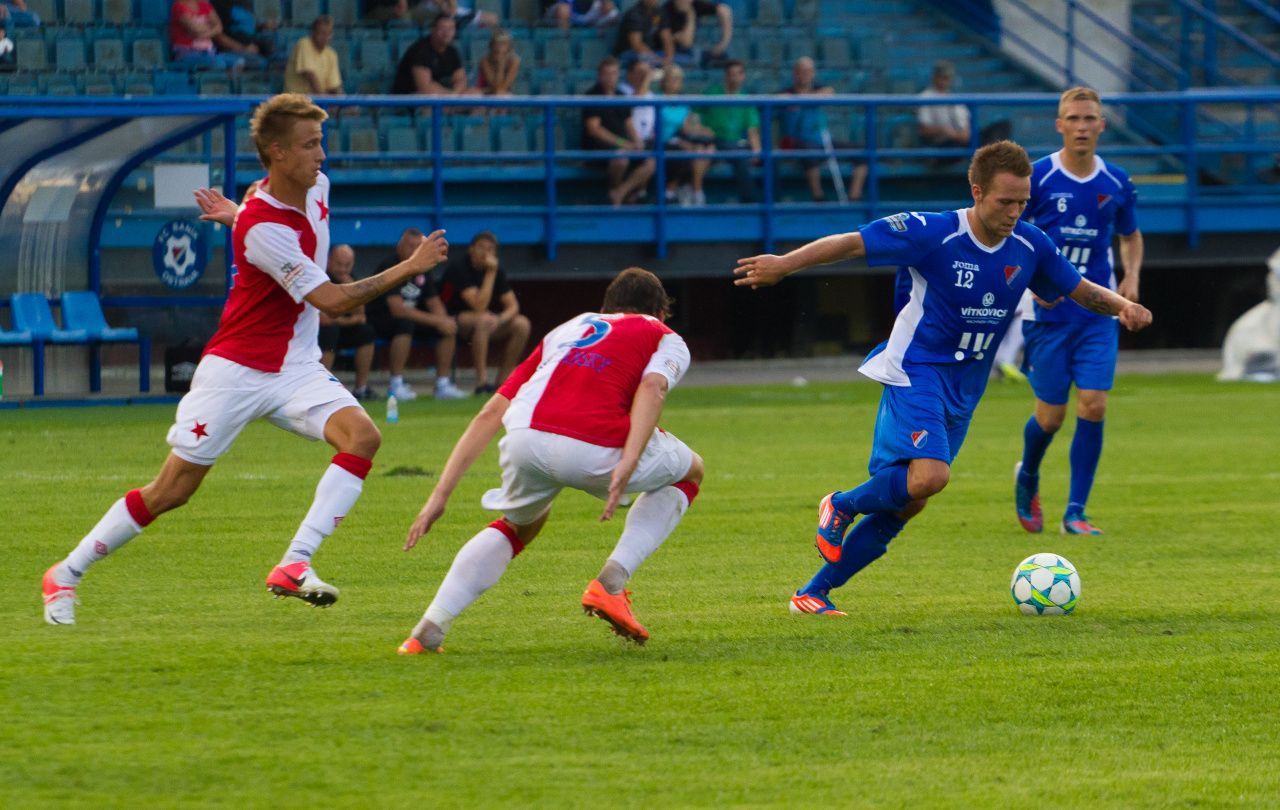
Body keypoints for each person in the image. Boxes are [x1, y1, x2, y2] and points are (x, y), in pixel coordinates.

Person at [41, 94, 450, 626]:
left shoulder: (307, 191)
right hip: (236, 369)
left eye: (321, 142)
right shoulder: (263, 227)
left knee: (364, 437)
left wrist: (236, 216)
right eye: (308, 145)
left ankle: (295, 563)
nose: (320, 155)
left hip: (295, 366)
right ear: (277, 152)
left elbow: (262, 217)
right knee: (172, 491)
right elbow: (332, 299)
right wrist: (409, 266)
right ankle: (64, 575)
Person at [732, 140, 1152, 617]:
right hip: (917, 368)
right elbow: (852, 242)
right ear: (976, 192)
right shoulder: (932, 231)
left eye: (1022, 202)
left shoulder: (1031, 244)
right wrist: (784, 265)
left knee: (911, 499)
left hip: (966, 385)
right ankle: (841, 505)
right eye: (1004, 202)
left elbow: (1079, 289)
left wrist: (1124, 307)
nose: (1015, 211)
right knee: (932, 475)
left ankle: (813, 592)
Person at [396, 267, 703, 653]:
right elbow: (653, 387)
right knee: (690, 471)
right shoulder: (663, 335)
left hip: (525, 439)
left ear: (606, 308)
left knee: (520, 523)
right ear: (661, 313)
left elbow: (490, 413)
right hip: (596, 448)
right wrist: (629, 459)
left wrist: (439, 496)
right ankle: (611, 582)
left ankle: (428, 630)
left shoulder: (571, 327)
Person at [1014, 87, 1143, 536]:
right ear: (1059, 125)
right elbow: (1015, 234)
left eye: (1090, 118)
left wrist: (1131, 279)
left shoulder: (1116, 181)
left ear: (1102, 125)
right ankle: (1028, 474)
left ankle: (1076, 511)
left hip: (1097, 312)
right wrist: (1035, 280)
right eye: (1073, 118)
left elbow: (1130, 234)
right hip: (1048, 314)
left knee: (1093, 404)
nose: (1082, 126)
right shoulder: (1038, 177)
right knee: (1051, 416)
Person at [366, 228, 468, 401]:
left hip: (411, 318)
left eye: (417, 247)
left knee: (447, 325)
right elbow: (397, 309)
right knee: (405, 324)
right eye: (409, 246)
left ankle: (443, 385)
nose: (413, 251)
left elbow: (433, 301)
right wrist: (437, 321)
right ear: (399, 247)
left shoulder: (423, 269)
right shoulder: (391, 266)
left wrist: (443, 321)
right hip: (381, 319)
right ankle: (396, 384)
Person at [439, 231, 531, 393]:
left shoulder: (497, 270)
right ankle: (482, 383)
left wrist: (500, 319)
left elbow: (513, 306)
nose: (485, 253)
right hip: (450, 319)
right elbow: (478, 305)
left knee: (522, 324)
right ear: (471, 249)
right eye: (481, 247)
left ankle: (503, 382)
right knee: (483, 319)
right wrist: (490, 273)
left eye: (490, 249)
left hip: (484, 321)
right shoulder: (460, 267)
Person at [780, 57, 866, 202]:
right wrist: (804, 98)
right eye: (802, 71)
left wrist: (803, 98)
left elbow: (829, 92)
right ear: (795, 73)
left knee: (861, 152)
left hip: (823, 139)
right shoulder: (787, 92)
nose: (806, 74)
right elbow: (779, 98)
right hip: (798, 141)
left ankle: (854, 196)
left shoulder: (820, 89)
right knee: (809, 152)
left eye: (809, 71)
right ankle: (818, 196)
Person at [582, 55, 655, 207]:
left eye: (614, 73)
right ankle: (615, 190)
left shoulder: (621, 96)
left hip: (623, 145)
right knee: (621, 159)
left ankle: (620, 192)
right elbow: (594, 129)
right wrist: (623, 143)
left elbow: (628, 123)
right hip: (598, 147)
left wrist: (637, 141)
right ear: (599, 75)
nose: (610, 77)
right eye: (606, 73)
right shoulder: (592, 96)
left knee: (651, 161)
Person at [318, 244, 378, 400]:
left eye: (347, 265)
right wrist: (349, 320)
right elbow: (324, 320)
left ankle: (361, 388)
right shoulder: (321, 277)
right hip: (317, 333)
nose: (342, 269)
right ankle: (321, 388)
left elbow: (361, 316)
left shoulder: (349, 279)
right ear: (329, 260)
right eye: (339, 264)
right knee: (330, 332)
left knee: (366, 332)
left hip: (339, 327)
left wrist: (350, 285)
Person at [916, 60, 1011, 156]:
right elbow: (924, 130)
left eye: (947, 78)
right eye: (942, 77)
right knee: (956, 145)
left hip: (964, 138)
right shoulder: (925, 97)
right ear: (934, 77)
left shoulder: (954, 98)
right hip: (945, 142)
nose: (945, 81)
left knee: (1003, 126)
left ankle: (989, 156)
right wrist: (945, 131)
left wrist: (966, 132)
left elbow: (966, 124)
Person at [699, 59, 760, 203]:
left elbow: (752, 129)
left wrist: (758, 150)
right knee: (739, 155)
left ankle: (774, 201)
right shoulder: (712, 94)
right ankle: (749, 200)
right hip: (715, 141)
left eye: (737, 74)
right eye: (731, 74)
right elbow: (693, 115)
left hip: (736, 143)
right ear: (725, 76)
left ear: (743, 76)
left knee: (770, 158)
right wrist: (702, 129)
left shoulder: (746, 99)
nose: (734, 77)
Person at [655, 63, 715, 206]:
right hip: (662, 141)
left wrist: (703, 130)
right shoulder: (657, 99)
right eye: (673, 79)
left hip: (681, 139)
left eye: (679, 79)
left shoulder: (683, 103)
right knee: (689, 150)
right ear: (664, 82)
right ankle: (673, 190)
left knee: (708, 148)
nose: (677, 83)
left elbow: (687, 128)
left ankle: (695, 190)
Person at [390, 14, 473, 96]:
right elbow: (425, 88)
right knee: (430, 100)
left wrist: (454, 94)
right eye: (442, 28)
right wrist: (450, 96)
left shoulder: (452, 51)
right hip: (413, 98)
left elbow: (460, 80)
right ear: (433, 29)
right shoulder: (420, 50)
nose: (446, 33)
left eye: (451, 29)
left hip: (445, 96)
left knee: (475, 94)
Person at [169, 0, 245, 71]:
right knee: (218, 64)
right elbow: (194, 29)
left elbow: (219, 27)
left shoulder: (204, 5)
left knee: (239, 61)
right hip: (187, 54)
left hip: (210, 52)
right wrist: (210, 28)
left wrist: (202, 33)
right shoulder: (178, 6)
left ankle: (227, 81)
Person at [284, 15, 343, 96]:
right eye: (322, 33)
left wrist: (344, 102)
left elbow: (334, 86)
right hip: (296, 101)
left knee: (351, 107)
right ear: (313, 32)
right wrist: (325, 102)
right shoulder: (304, 44)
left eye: (329, 33)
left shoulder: (331, 54)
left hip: (316, 101)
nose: (326, 37)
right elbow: (311, 76)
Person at [211, 0, 278, 68]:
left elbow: (243, 25)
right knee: (260, 63)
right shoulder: (218, 3)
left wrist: (262, 26)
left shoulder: (246, 2)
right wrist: (243, 49)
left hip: (253, 45)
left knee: (279, 55)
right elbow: (217, 36)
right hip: (230, 50)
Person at [613, 0, 665, 67]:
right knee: (658, 64)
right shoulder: (633, 14)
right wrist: (659, 60)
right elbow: (637, 45)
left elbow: (666, 36)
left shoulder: (657, 12)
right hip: (628, 53)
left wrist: (668, 57)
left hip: (649, 52)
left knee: (673, 62)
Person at [476, 28, 520, 96]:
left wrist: (501, 64)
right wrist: (501, 65)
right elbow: (495, 86)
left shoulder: (514, 61)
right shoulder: (485, 61)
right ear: (491, 45)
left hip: (503, 93)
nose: (499, 47)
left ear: (509, 47)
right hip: (484, 92)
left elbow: (504, 87)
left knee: (502, 94)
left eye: (503, 44)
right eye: (497, 44)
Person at [542, 0, 618, 28]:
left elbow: (613, 14)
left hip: (589, 23)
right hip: (560, 15)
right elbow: (562, 6)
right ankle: (563, 42)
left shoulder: (606, 8)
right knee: (563, 10)